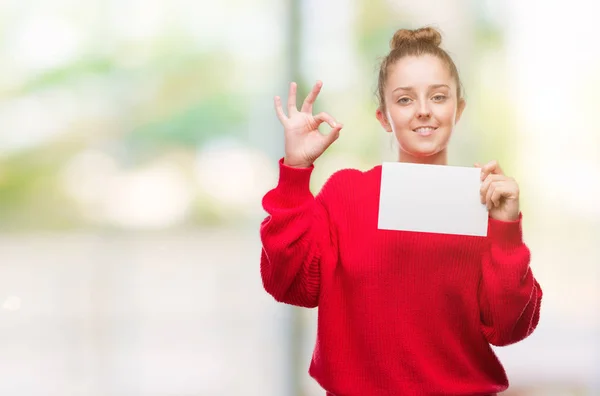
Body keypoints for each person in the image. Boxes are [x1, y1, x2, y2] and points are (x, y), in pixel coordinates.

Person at [259, 26, 542, 396]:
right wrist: (295, 172)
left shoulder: (485, 202)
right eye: (405, 100)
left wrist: (505, 230)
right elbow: (289, 283)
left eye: (438, 97)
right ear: (383, 116)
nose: (423, 111)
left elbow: (508, 328)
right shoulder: (346, 193)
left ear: (458, 109)